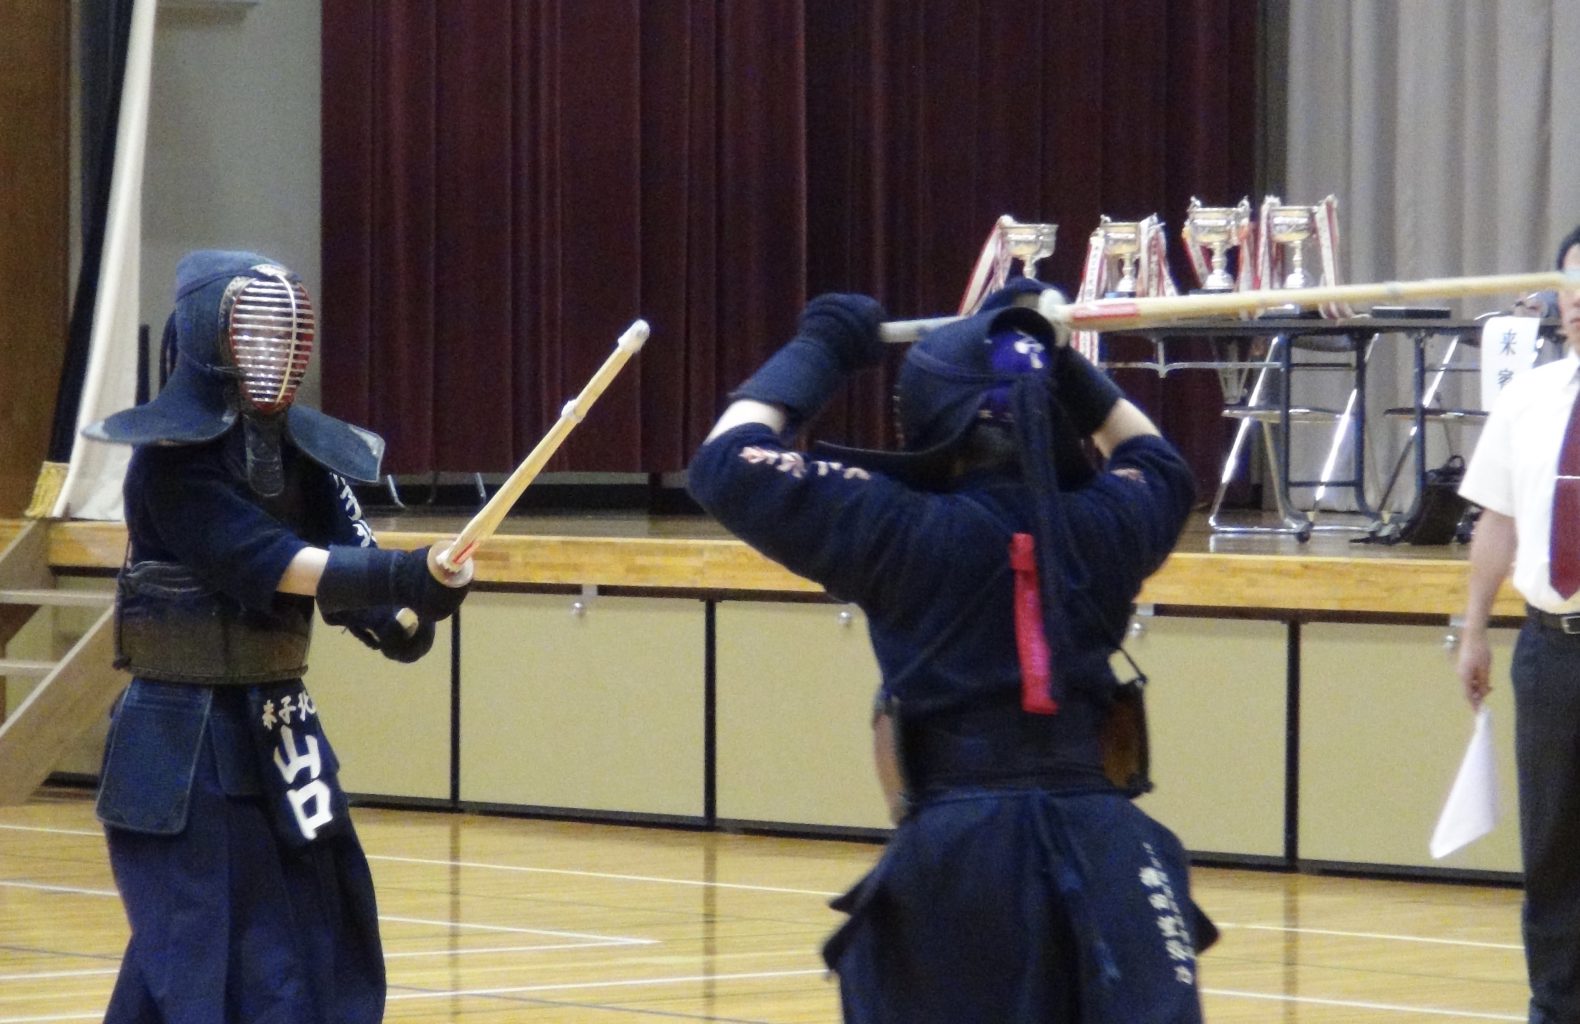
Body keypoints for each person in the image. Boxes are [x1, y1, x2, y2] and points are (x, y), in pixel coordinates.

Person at [687, 282, 1211, 1023]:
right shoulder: (1110, 522)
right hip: (1109, 847)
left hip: (959, 857)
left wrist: (822, 351)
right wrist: (1048, 353)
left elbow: (726, 461)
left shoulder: (894, 524)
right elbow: (1156, 462)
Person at [82, 250, 472, 1024]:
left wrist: (408, 610)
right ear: (207, 340)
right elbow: (269, 562)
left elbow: (351, 559)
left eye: (282, 337)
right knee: (208, 957)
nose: (269, 355)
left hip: (280, 731)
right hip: (183, 745)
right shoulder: (171, 469)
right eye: (250, 335)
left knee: (315, 928)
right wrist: (402, 576)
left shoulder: (309, 458)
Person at [1458, 223, 1580, 1024]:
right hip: (1553, 650)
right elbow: (1496, 521)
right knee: (1554, 853)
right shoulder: (1530, 397)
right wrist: (1474, 628)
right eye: (1570, 289)